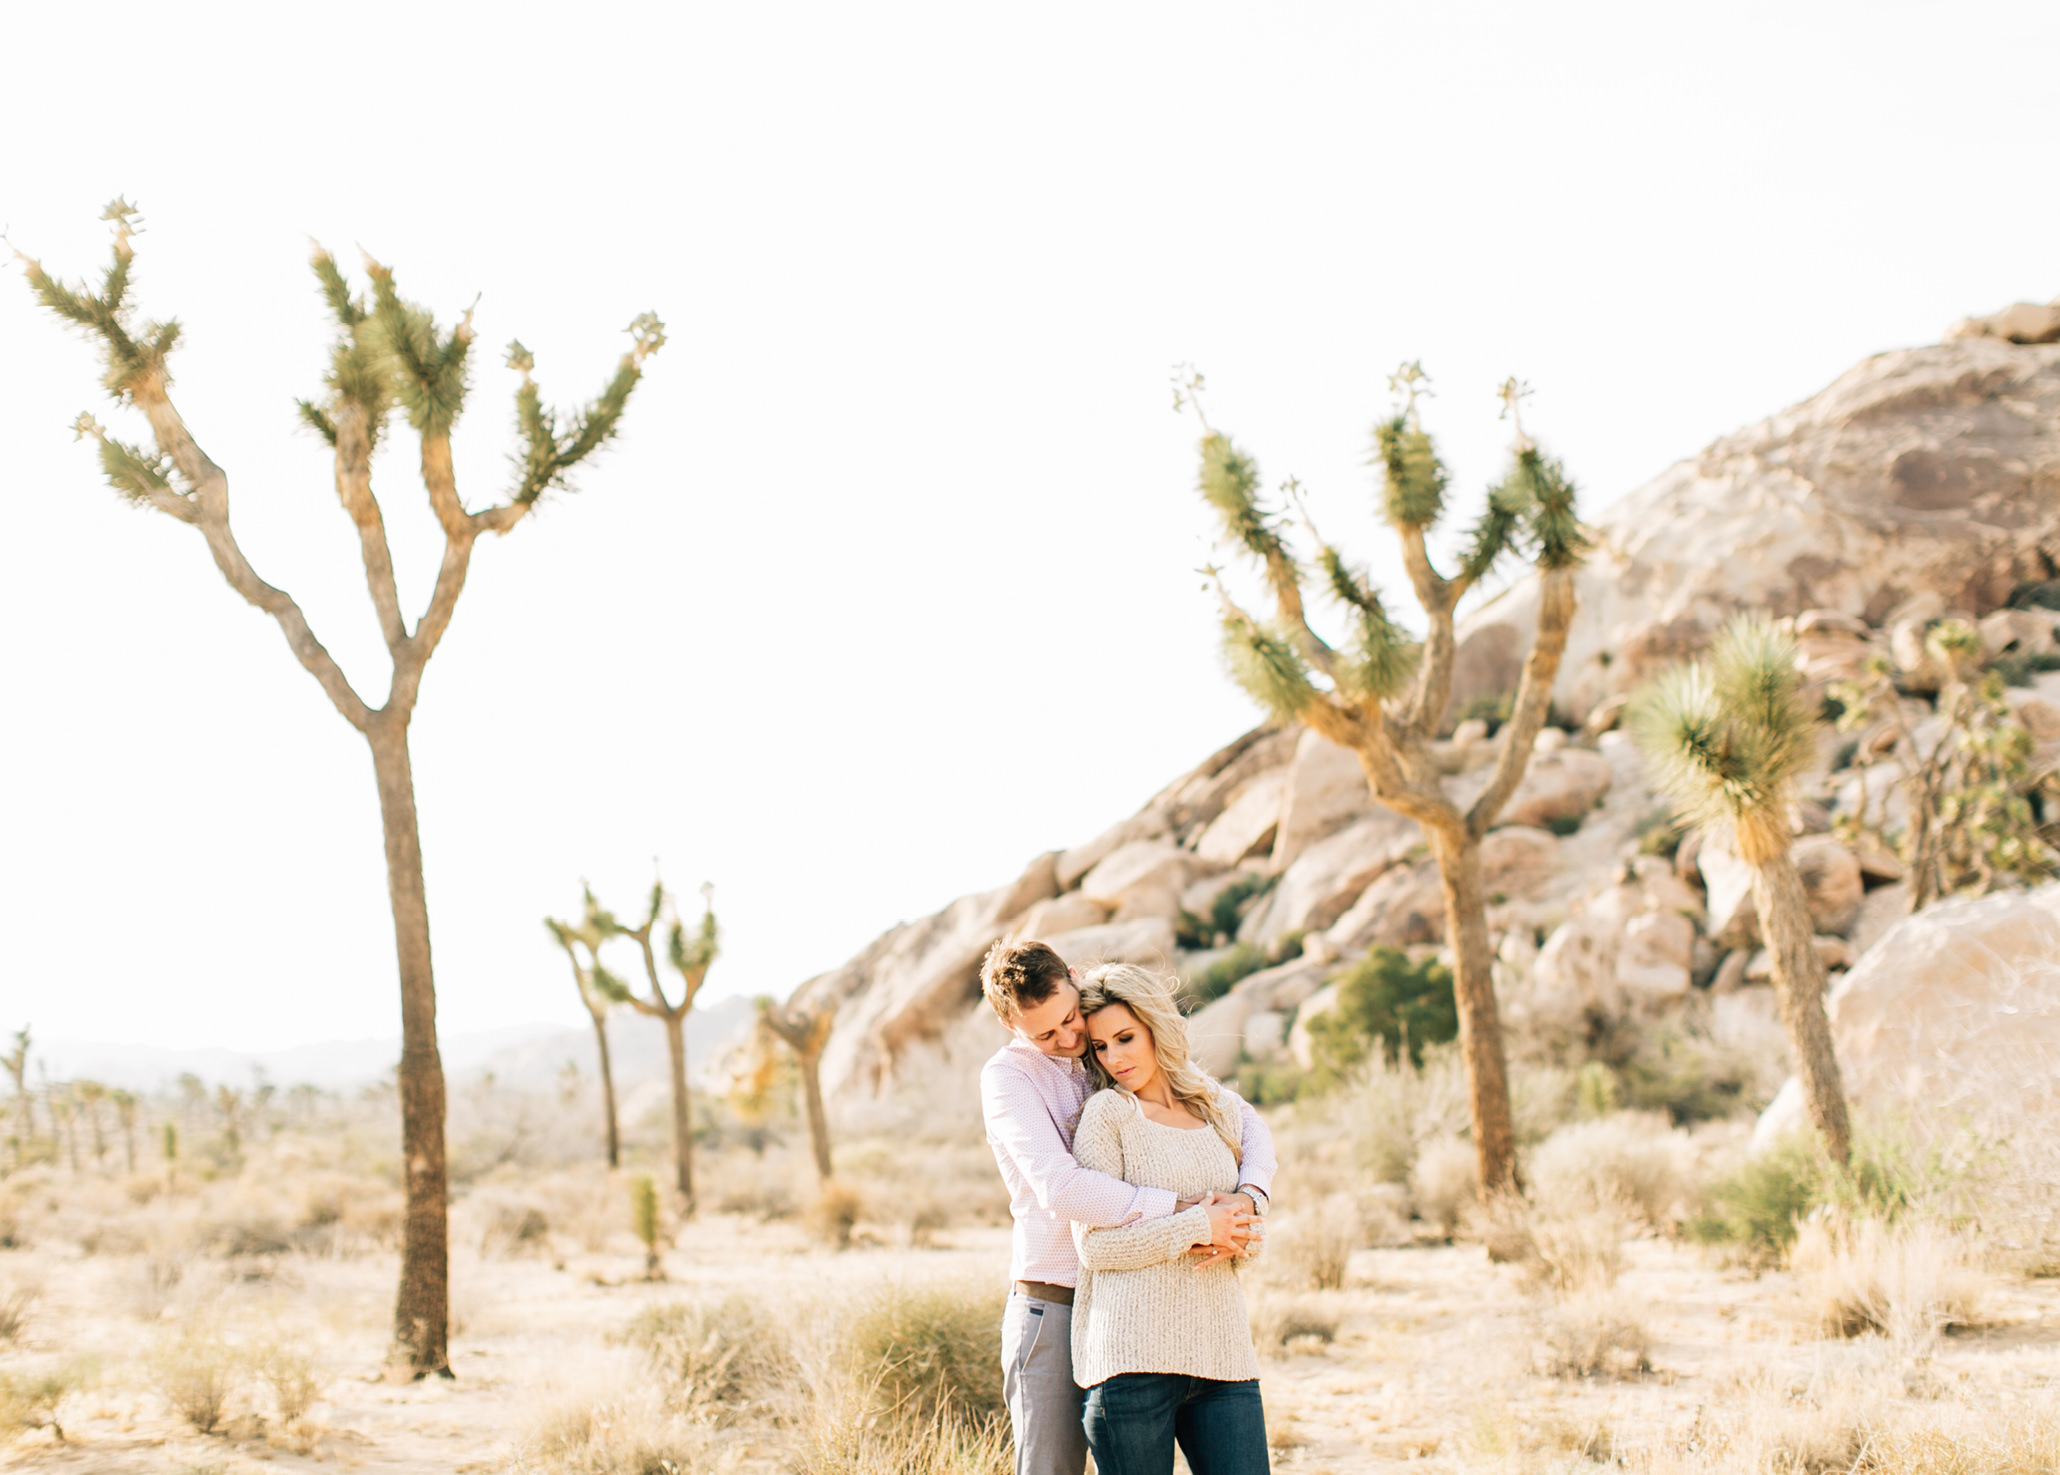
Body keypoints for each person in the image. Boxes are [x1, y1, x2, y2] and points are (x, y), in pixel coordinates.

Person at [980, 939, 1274, 1475]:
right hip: (1056, 1302)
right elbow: (1063, 1188)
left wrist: (1250, 1197)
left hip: (1135, 1302)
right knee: (1052, 1469)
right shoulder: (1010, 1079)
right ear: (1010, 1026)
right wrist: (1184, 1213)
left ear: (1073, 978)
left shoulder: (1104, 1044)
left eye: (1070, 1019)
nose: (1069, 1039)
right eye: (1046, 1034)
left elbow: (1245, 1121)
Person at [1070, 963, 1271, 1475]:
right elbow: (1095, 1247)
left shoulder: (1216, 1110)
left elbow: (1246, 1230)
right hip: (1131, 1363)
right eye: (1100, 1047)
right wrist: (1200, 1226)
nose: (1114, 1057)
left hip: (1223, 1357)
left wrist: (1242, 1230)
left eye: (1124, 1037)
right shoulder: (1108, 1116)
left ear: (1156, 1026)